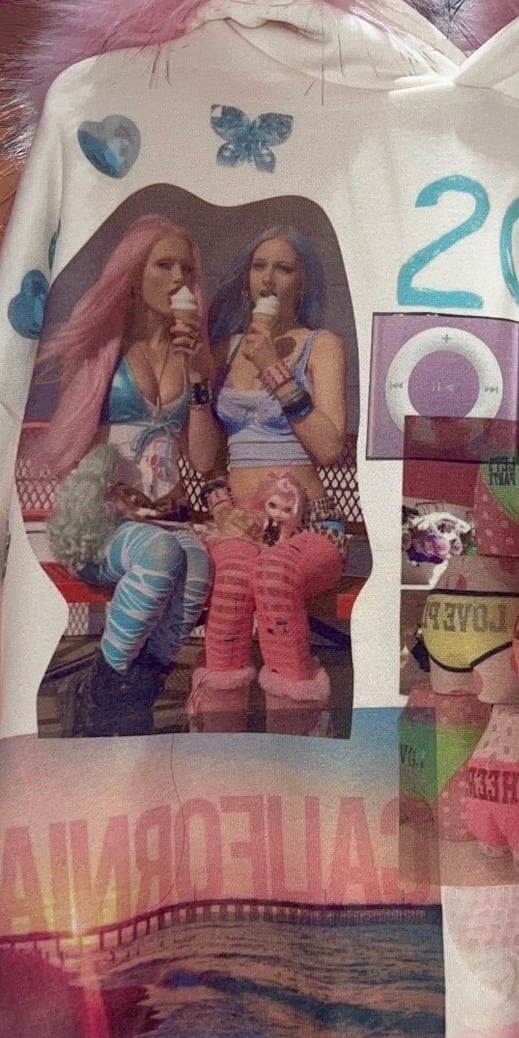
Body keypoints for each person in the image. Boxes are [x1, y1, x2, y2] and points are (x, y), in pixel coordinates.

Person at [31, 215, 214, 735]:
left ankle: (136, 695)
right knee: (161, 554)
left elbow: (203, 460)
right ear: (133, 275)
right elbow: (69, 451)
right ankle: (101, 694)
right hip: (100, 525)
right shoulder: (99, 352)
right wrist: (111, 490)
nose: (178, 278)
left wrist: (198, 376)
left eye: (186, 268)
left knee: (197, 564)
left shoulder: (193, 357)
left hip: (163, 522)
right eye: (164, 265)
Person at [187, 226, 348, 730]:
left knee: (275, 573)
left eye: (284, 268)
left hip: (311, 528)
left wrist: (275, 369)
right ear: (247, 278)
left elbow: (329, 446)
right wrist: (197, 380)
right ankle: (220, 730)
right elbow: (204, 459)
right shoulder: (224, 350)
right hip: (240, 527)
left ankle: (296, 724)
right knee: (235, 577)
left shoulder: (322, 345)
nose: (269, 279)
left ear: (304, 281)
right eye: (259, 266)